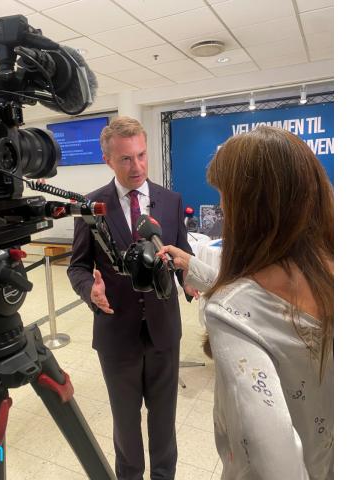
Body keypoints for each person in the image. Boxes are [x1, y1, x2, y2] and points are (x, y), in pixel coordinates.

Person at [159, 126, 334, 480]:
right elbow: (261, 306)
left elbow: (274, 458)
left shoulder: (229, 315)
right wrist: (193, 267)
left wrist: (220, 299)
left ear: (251, 208)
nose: (223, 208)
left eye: (226, 197)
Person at [67, 116, 196, 480]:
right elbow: (77, 267)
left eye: (141, 155)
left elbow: (182, 253)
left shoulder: (171, 201)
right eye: (125, 158)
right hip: (116, 334)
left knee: (164, 421)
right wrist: (90, 291)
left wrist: (189, 279)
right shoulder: (91, 205)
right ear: (108, 160)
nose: (136, 166)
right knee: (125, 424)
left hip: (164, 331)